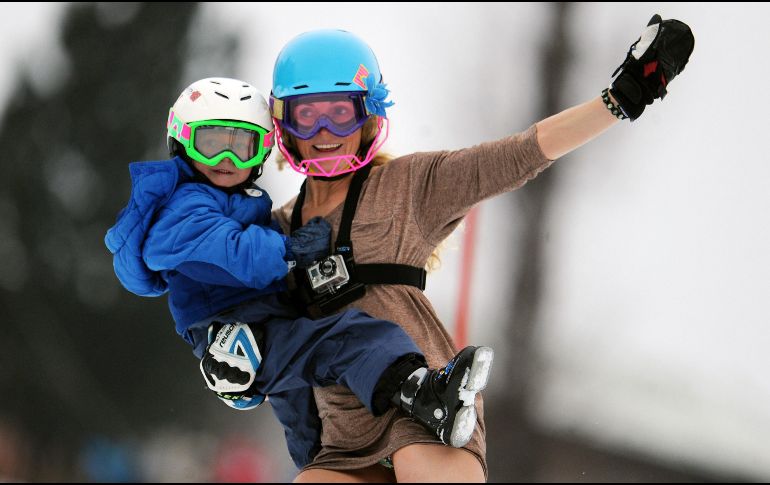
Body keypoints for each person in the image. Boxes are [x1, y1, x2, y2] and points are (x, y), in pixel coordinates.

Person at [269, 16, 694, 483]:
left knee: (417, 467)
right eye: (307, 115)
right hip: (345, 435)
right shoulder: (273, 233)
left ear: (369, 115)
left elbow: (518, 153)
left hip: (426, 408)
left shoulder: (407, 187)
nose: (324, 129)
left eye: (340, 111)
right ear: (283, 124)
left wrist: (618, 100)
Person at [104, 77, 495, 469]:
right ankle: (423, 394)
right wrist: (291, 250)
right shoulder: (181, 206)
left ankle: (325, 462)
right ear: (181, 141)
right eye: (211, 144)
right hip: (238, 324)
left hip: (257, 320)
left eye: (241, 147)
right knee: (346, 336)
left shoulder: (226, 199)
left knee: (305, 413)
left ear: (261, 151)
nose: (227, 160)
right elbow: (232, 252)